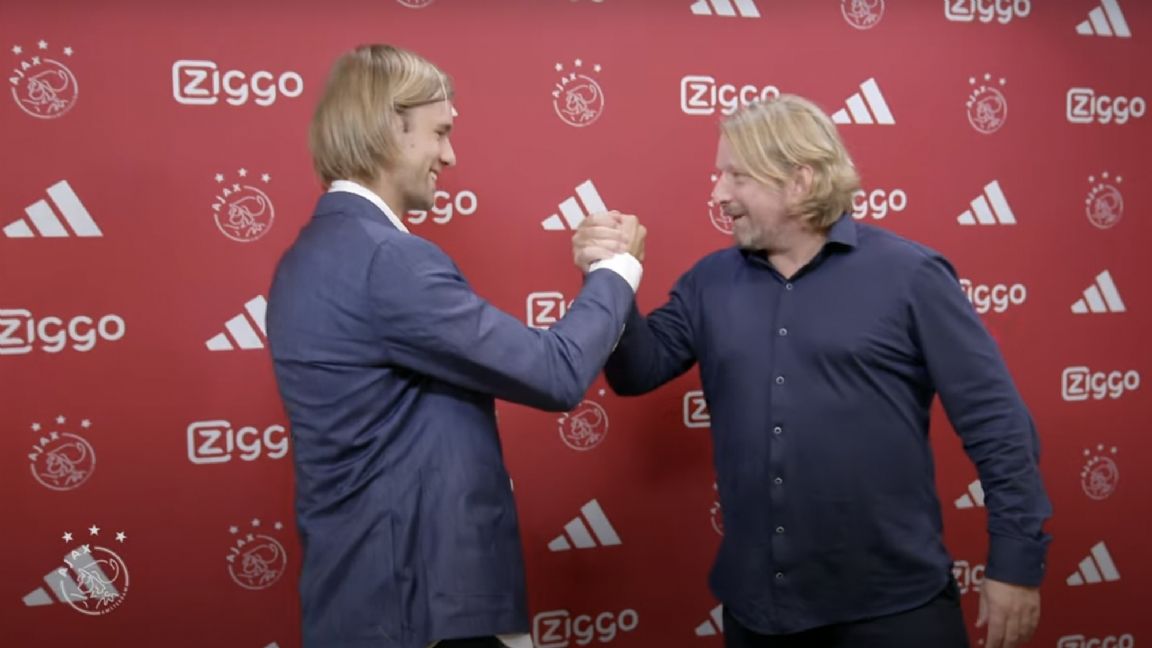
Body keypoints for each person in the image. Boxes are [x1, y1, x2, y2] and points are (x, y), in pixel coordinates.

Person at [575, 95, 1051, 648]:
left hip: (893, 610)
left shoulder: (911, 276)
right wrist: (608, 275)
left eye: (737, 176)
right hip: (759, 614)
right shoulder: (708, 282)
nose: (718, 194)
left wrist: (1016, 562)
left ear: (799, 181)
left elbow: (997, 424)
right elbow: (636, 372)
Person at [265, 44, 644, 648]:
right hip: (421, 606)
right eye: (439, 133)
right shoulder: (389, 260)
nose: (450, 155)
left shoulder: (305, 257)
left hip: (362, 600)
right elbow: (556, 371)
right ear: (390, 127)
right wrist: (616, 271)